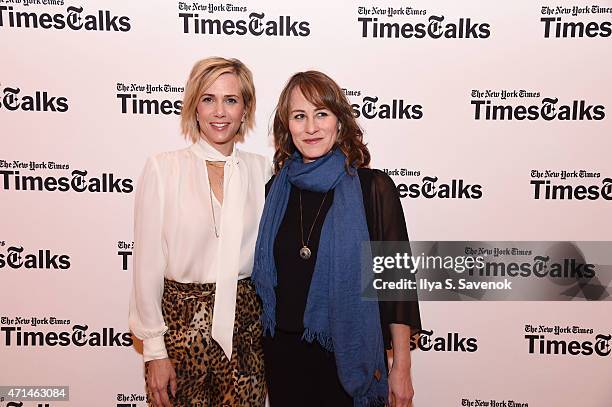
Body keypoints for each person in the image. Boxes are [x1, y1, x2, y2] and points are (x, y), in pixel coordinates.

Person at [252, 71, 421, 407]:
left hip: (345, 358)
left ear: (340, 123)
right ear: (287, 128)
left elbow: (396, 285)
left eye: (321, 114)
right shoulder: (273, 192)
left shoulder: (373, 189)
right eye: (299, 116)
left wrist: (401, 367)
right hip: (283, 357)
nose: (311, 127)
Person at [129, 57, 270, 407]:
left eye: (231, 100)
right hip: (180, 330)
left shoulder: (263, 170)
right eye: (208, 99)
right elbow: (147, 265)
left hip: (247, 330)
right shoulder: (164, 169)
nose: (219, 112)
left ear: (245, 109)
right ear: (194, 106)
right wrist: (155, 351)